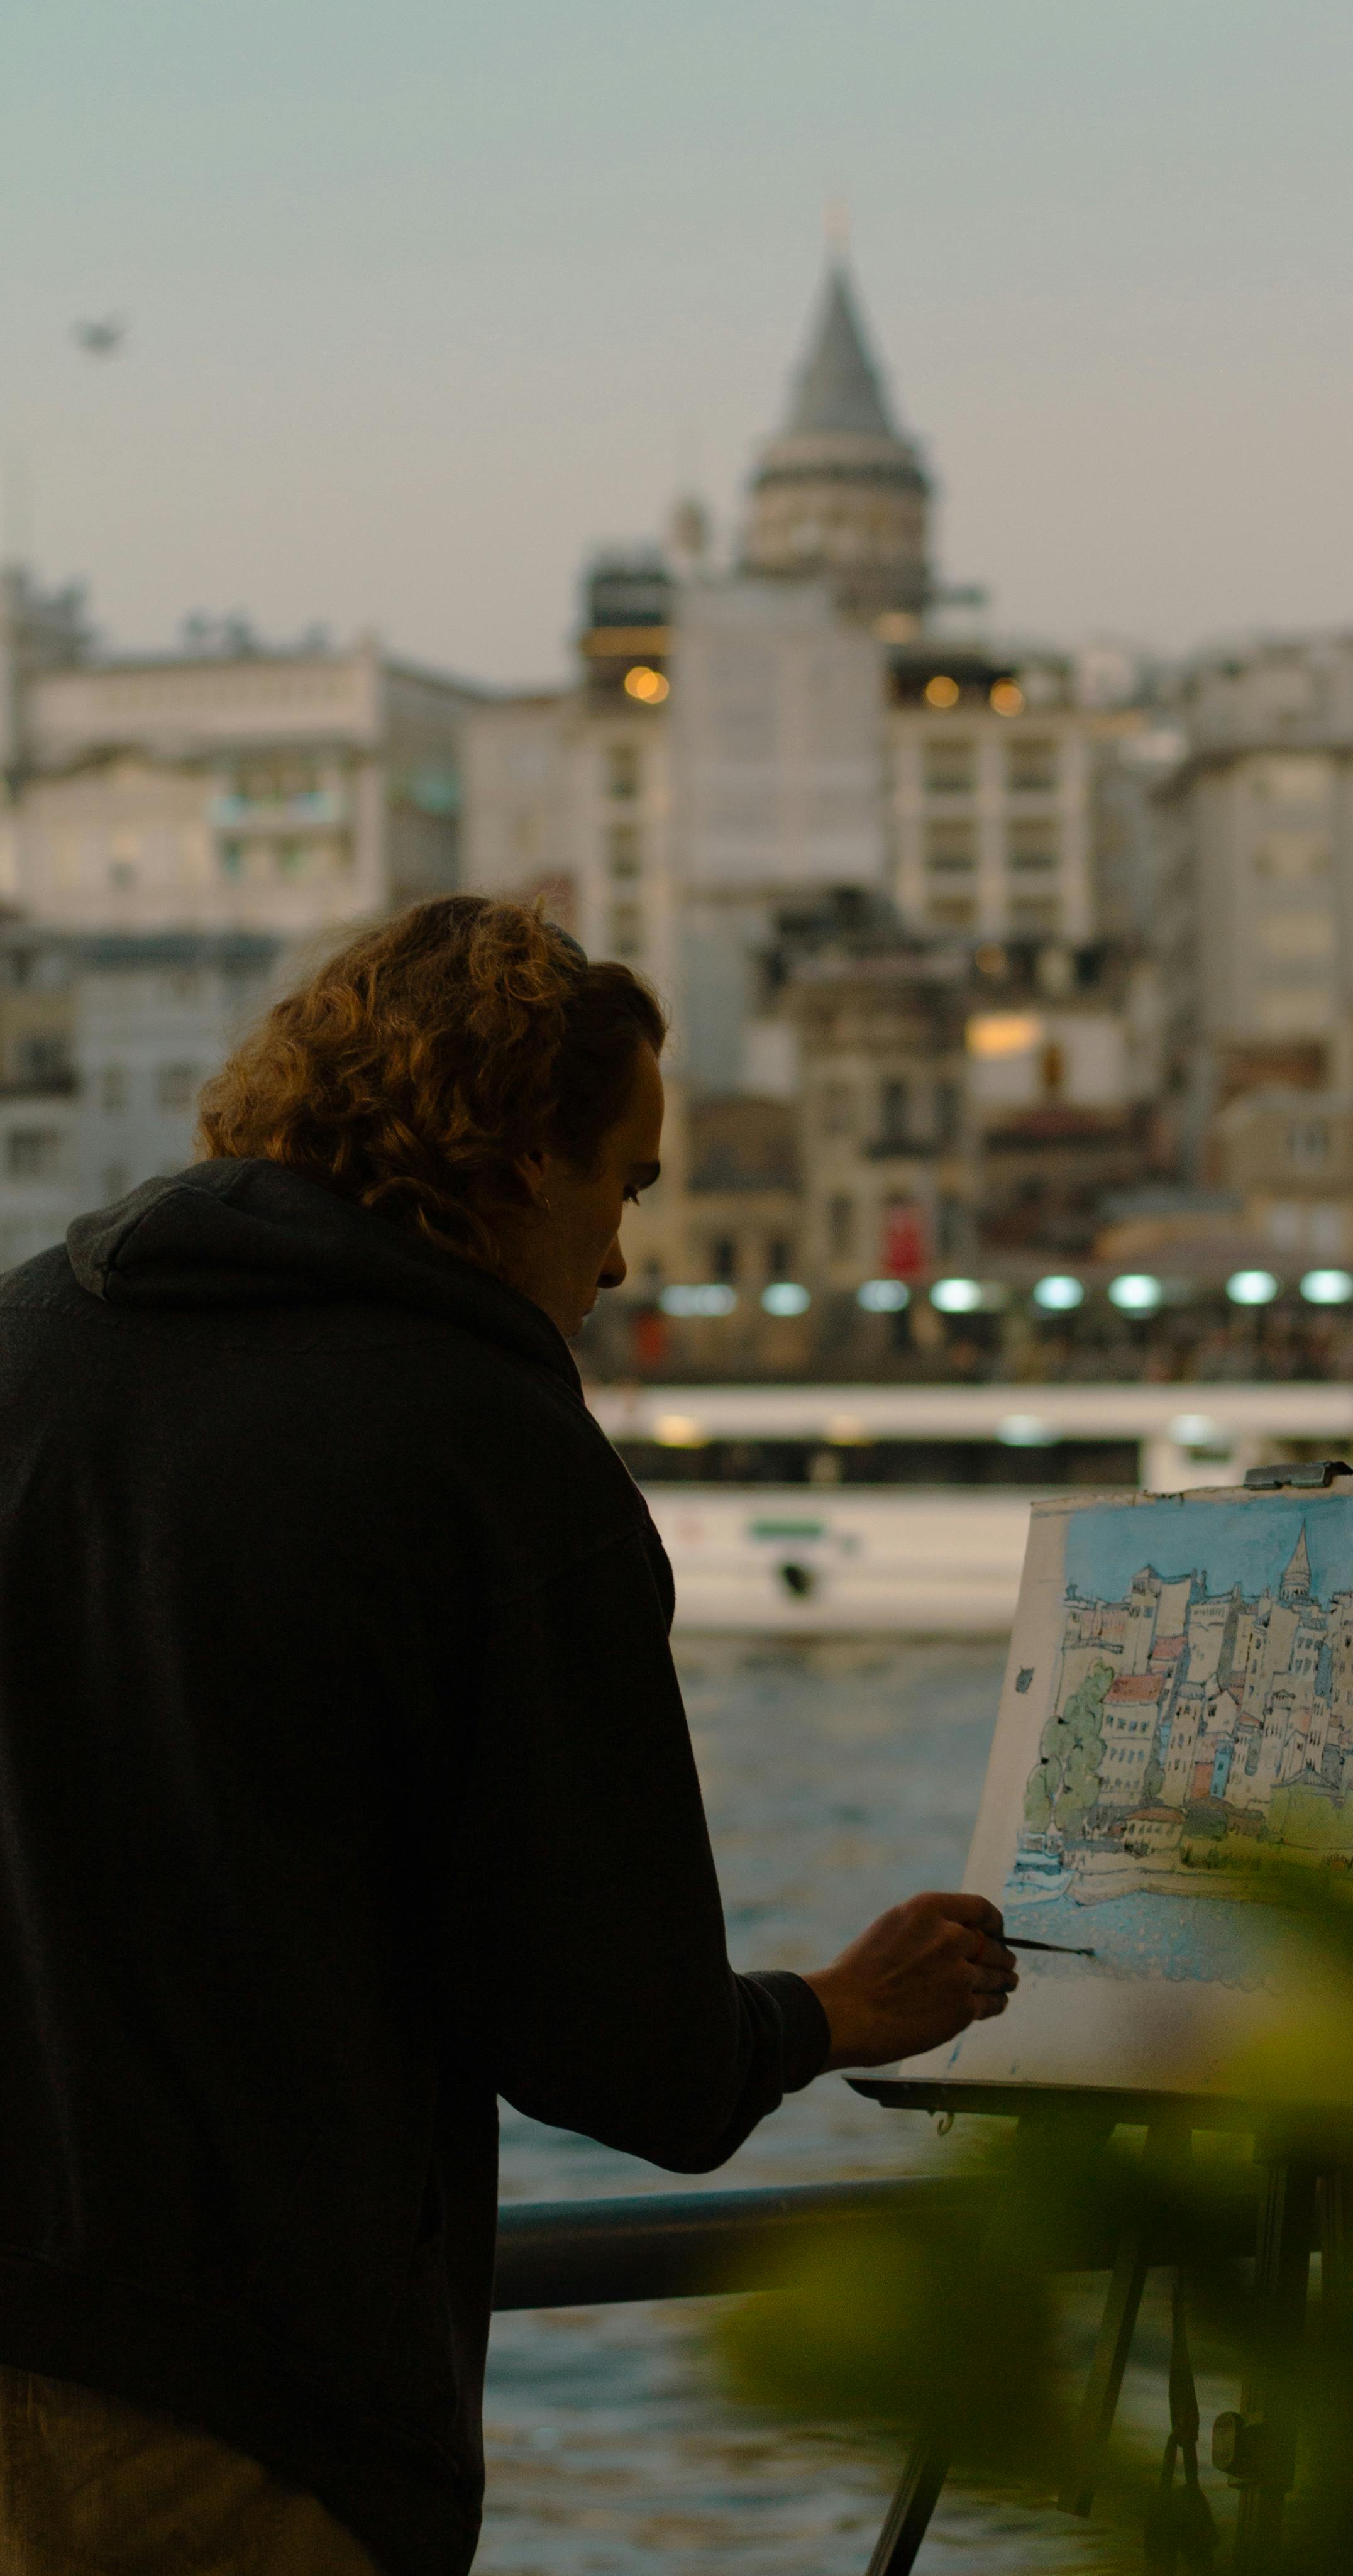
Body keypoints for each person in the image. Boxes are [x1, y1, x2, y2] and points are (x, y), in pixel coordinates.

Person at [0, 897, 1015, 2575]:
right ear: (522, 1156)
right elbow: (628, 2047)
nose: (620, 1256)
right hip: (235, 2403)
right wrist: (829, 2012)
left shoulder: (28, 1342)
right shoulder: (489, 1451)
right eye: (626, 1182)